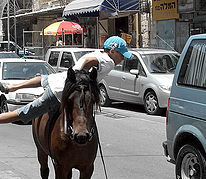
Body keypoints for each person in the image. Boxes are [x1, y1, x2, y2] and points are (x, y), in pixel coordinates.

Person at [0, 36, 132, 124]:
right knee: (23, 113)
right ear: (113, 51)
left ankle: (10, 87)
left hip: (56, 79)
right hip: (58, 92)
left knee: (41, 79)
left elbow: (90, 59)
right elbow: (89, 61)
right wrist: (80, 78)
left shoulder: (98, 52)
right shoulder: (109, 62)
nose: (122, 58)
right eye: (121, 54)